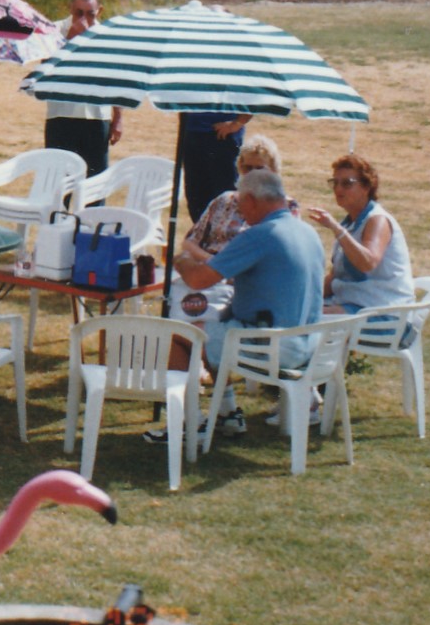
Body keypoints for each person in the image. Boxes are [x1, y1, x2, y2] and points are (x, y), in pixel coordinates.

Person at [169, 168, 324, 438]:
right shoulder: (308, 232)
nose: (240, 212)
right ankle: (226, 414)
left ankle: (187, 424)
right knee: (217, 327)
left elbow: (198, 279)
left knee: (180, 335)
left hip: (274, 347)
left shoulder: (260, 235)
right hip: (311, 345)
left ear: (251, 200)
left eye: (240, 204)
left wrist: (181, 260)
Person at [170, 133, 290, 320]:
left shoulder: (283, 207)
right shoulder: (224, 200)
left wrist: (223, 269)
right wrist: (212, 261)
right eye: (248, 167)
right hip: (206, 274)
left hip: (239, 284)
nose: (253, 174)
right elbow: (189, 242)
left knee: (196, 322)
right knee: (178, 317)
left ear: (273, 171)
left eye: (260, 168)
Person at [307, 154, 413, 315]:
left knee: (308, 317)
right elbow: (336, 277)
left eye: (347, 183)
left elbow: (367, 262)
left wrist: (336, 229)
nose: (338, 189)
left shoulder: (377, 220)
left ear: (366, 187)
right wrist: (305, 296)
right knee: (300, 311)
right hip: (353, 305)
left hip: (382, 311)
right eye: (335, 183)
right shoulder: (349, 224)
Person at [42, 0, 123, 177]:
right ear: (70, 8)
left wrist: (118, 117)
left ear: (100, 11)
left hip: (96, 117)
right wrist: (69, 41)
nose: (84, 19)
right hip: (61, 116)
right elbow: (45, 72)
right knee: (58, 180)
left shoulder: (108, 36)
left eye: (90, 14)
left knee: (95, 180)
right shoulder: (54, 32)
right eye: (79, 13)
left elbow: (115, 78)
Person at [183, 111, 252, 223]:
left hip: (223, 134)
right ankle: (201, 231)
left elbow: (252, 102)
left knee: (226, 196)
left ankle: (226, 232)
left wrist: (237, 123)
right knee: (195, 197)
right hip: (193, 132)